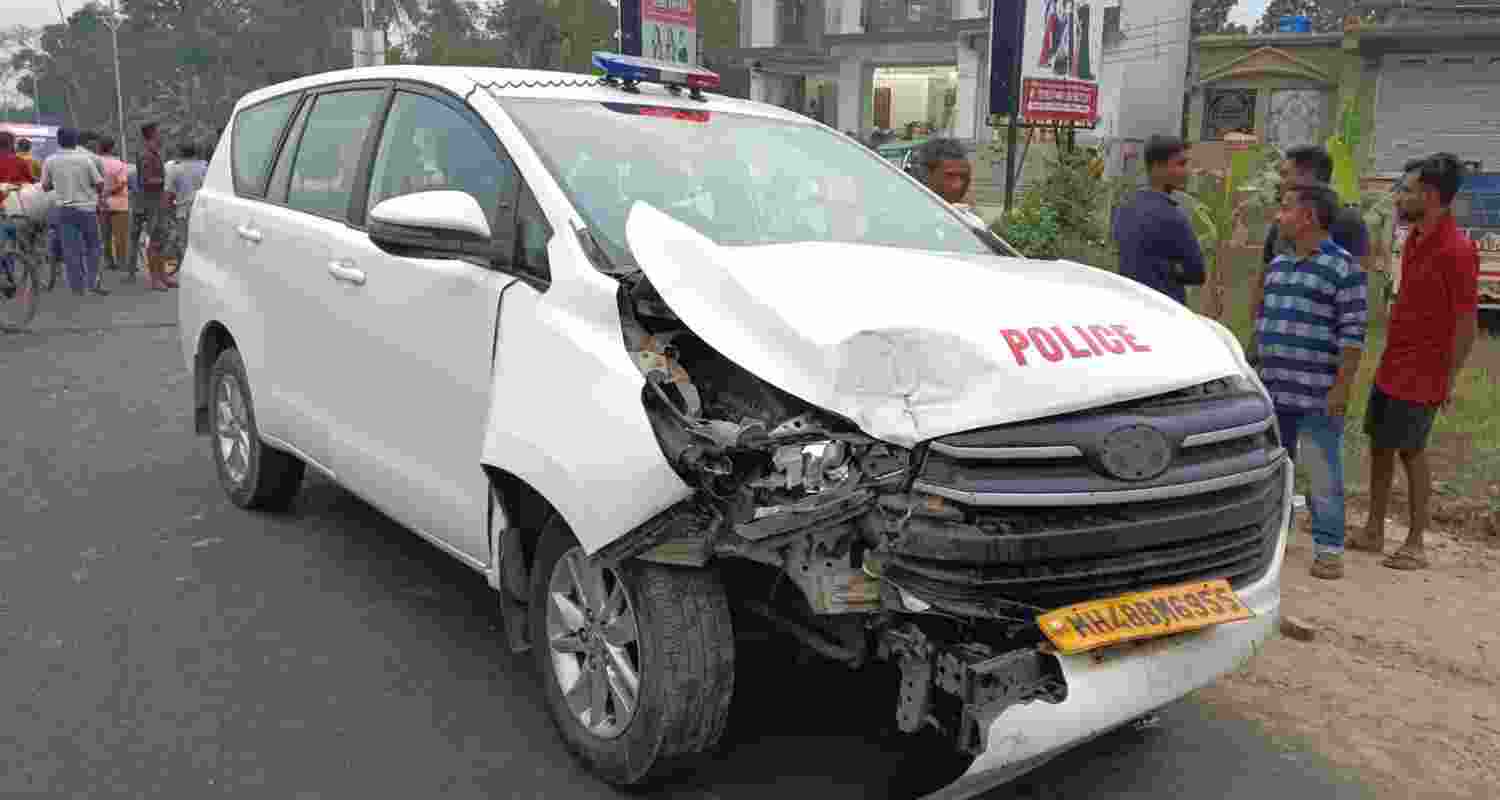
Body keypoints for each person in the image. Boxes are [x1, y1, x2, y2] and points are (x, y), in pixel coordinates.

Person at [1353, 154, 1480, 571]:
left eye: (1406, 190)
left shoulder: (1457, 250)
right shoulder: (1414, 240)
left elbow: (1466, 324)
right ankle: (1374, 530)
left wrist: (1450, 379)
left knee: (1412, 451)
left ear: (1429, 195)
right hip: (1395, 361)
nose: (1399, 198)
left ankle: (1416, 543)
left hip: (1425, 371)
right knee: (1381, 444)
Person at [1255, 182, 1367, 580]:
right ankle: (1273, 539)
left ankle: (1329, 548)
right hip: (1274, 391)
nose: (1278, 217)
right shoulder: (1279, 266)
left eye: (1285, 209)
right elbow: (1264, 322)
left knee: (1322, 469)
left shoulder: (1344, 268)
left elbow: (1352, 336)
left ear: (1309, 218)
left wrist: (1342, 388)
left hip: (1318, 393)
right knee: (1274, 468)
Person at [1250, 145, 1371, 332]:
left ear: (1307, 177)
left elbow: (1355, 294)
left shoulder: (1348, 222)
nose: (1279, 182)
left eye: (1285, 174)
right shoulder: (1282, 222)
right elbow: (1263, 281)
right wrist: (1257, 331)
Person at [1111, 134, 1206, 304]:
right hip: (1166, 310)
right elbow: (1197, 274)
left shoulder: (1124, 208)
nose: (1187, 171)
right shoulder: (1173, 216)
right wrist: (1167, 270)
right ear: (1157, 167)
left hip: (1128, 305)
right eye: (1181, 164)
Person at [40, 127, 108, 296]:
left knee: (71, 250)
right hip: (87, 210)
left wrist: (61, 183)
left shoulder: (50, 160)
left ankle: (77, 288)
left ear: (58, 141)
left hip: (64, 210)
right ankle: (92, 282)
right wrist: (90, 189)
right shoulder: (85, 160)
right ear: (75, 141)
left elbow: (45, 186)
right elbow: (99, 184)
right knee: (93, 247)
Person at [161, 141, 208, 279]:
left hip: (183, 212)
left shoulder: (175, 169)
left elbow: (168, 194)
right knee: (202, 242)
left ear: (180, 153)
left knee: (186, 244)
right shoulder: (204, 166)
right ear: (195, 152)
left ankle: (191, 273)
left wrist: (166, 211)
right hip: (203, 210)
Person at [137, 122, 173, 291]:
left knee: (162, 239)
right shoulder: (146, 155)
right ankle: (155, 279)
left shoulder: (155, 154)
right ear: (152, 135)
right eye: (159, 132)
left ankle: (163, 275)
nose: (162, 135)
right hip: (152, 203)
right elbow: (146, 180)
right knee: (155, 242)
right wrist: (166, 182)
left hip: (159, 202)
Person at [96, 135, 130, 272]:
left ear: (99, 147)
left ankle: (109, 261)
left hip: (102, 203)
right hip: (120, 204)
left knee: (105, 235)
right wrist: (110, 192)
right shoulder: (119, 164)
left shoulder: (95, 163)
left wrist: (103, 195)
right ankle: (122, 263)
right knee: (120, 236)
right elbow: (122, 183)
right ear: (112, 148)